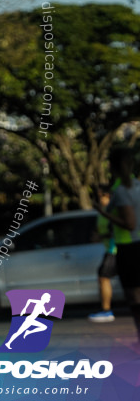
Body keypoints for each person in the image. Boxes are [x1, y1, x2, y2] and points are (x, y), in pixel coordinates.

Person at [97, 147, 140, 345]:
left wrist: (104, 213)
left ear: (112, 167)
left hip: (129, 248)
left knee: (135, 299)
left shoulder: (122, 191)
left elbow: (129, 223)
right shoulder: (137, 186)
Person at [89, 184, 125, 323]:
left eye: (101, 196)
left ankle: (106, 311)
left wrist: (103, 236)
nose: (99, 199)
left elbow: (116, 229)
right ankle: (106, 310)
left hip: (114, 249)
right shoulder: (102, 211)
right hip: (110, 249)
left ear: (108, 195)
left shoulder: (113, 210)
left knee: (103, 276)